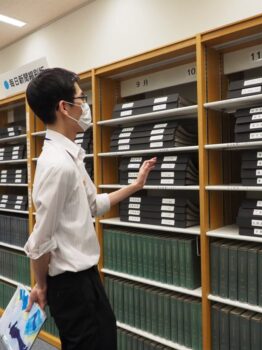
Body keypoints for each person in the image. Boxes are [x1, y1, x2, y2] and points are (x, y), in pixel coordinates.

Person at [23, 68, 156, 350]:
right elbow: (39, 242)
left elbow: (94, 205)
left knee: (105, 336)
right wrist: (41, 286)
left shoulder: (71, 156)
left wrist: (135, 185)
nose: (85, 106)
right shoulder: (58, 165)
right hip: (71, 286)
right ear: (64, 107)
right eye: (81, 98)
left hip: (84, 278)